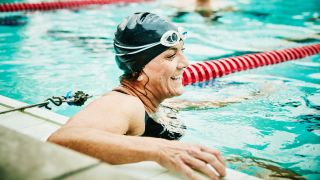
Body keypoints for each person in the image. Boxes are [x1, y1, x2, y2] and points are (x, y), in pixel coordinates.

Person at [48, 12, 226, 180]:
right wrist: (159, 149)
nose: (185, 63)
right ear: (139, 69)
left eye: (182, 51)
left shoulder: (150, 101)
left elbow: (186, 105)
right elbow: (60, 141)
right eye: (171, 56)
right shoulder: (124, 103)